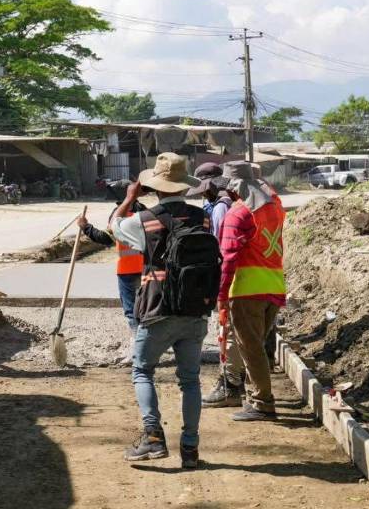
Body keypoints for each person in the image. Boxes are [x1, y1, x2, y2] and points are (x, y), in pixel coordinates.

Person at [111, 153, 216, 470]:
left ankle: (154, 438)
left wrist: (130, 198)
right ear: (185, 186)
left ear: (154, 187)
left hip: (157, 309)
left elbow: (113, 226)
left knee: (143, 371)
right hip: (195, 309)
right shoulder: (203, 219)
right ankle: (190, 449)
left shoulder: (142, 221)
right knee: (191, 381)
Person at [218, 161, 286, 421]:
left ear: (233, 187)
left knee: (251, 348)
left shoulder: (238, 213)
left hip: (247, 290)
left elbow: (228, 258)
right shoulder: (275, 207)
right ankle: (256, 397)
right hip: (273, 285)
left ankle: (262, 403)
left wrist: (221, 296)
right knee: (257, 346)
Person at [77, 180, 144, 364]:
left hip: (128, 270)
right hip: (147, 269)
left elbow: (105, 238)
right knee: (146, 310)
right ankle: (146, 347)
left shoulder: (119, 213)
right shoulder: (144, 210)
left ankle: (136, 353)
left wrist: (85, 226)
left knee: (132, 312)